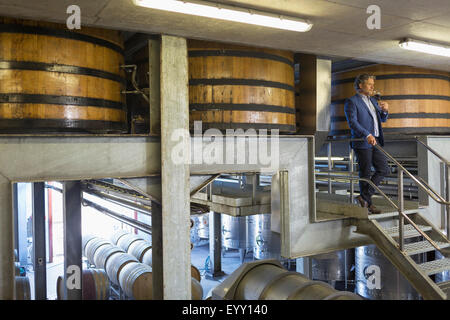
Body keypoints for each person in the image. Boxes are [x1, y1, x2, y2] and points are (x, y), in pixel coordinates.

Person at [344, 74, 390, 214]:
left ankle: (364, 197)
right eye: (369, 84)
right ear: (360, 85)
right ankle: (368, 205)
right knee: (365, 173)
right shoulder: (352, 101)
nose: (372, 87)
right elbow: (353, 123)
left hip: (375, 140)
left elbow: (382, 120)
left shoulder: (374, 101)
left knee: (384, 169)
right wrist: (367, 134)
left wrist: (385, 111)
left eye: (372, 84)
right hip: (363, 141)